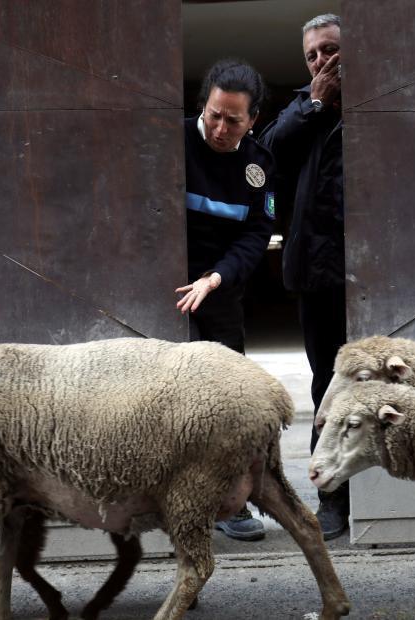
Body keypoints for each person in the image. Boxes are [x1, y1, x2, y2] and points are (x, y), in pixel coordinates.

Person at [175, 59, 276, 541]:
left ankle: (230, 503)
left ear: (252, 119)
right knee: (174, 403)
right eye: (214, 115)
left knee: (228, 402)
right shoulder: (171, 142)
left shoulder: (257, 165)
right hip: (169, 290)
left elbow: (257, 235)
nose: (220, 128)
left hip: (218, 288)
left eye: (233, 120)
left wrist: (215, 279)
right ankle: (179, 506)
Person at [259, 14, 348, 540]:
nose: (322, 61)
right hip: (316, 272)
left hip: (370, 273)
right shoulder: (301, 106)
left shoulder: (376, 99)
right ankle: (331, 499)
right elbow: (265, 155)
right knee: (327, 388)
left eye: (331, 50)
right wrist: (314, 103)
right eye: (313, 54)